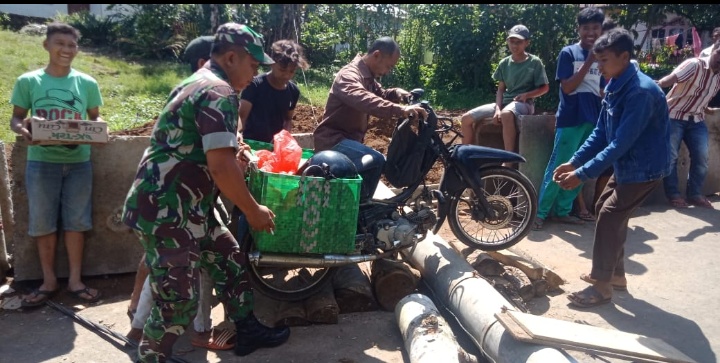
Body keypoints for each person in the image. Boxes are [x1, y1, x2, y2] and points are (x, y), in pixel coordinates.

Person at [122, 23, 290, 362]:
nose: (256, 74)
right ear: (231, 57)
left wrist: (235, 146)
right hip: (168, 211)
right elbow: (221, 168)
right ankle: (151, 356)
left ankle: (247, 331)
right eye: (253, 65)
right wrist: (253, 209)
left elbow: (210, 146)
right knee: (177, 303)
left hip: (188, 206)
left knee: (228, 258)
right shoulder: (219, 92)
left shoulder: (198, 82)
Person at [125, 34, 236, 351]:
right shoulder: (208, 97)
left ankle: (140, 326)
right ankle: (189, 330)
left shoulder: (188, 93)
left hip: (176, 199)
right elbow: (216, 161)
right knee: (185, 269)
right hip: (177, 202)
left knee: (166, 267)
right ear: (206, 63)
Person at [553, 28, 671, 308]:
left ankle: (602, 286)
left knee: (608, 214)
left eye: (604, 61)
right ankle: (615, 275)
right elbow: (601, 133)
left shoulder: (640, 92)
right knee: (606, 209)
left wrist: (581, 175)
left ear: (624, 56)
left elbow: (619, 143)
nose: (599, 67)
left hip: (645, 168)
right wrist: (575, 161)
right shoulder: (617, 84)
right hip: (628, 165)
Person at [9, 22, 103, 308]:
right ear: (46, 46)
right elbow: (16, 118)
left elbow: (96, 118)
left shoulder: (86, 83)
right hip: (41, 163)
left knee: (77, 222)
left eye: (71, 45)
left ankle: (75, 281)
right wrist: (23, 130)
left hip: (79, 162)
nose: (66, 49)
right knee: (43, 223)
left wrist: (97, 130)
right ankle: (48, 281)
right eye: (60, 43)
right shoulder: (29, 81)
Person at [312, 36, 427, 201]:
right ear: (377, 55)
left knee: (378, 162)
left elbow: (381, 94)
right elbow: (363, 98)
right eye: (388, 66)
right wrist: (400, 110)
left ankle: (358, 206)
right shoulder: (349, 75)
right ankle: (360, 211)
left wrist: (396, 93)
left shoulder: (368, 77)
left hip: (348, 141)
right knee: (377, 160)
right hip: (333, 141)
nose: (388, 71)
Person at [534, 7, 606, 231]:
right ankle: (540, 213)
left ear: (601, 29)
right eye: (586, 28)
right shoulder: (569, 53)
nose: (591, 32)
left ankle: (563, 211)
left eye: (595, 27)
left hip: (594, 119)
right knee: (558, 165)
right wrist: (589, 62)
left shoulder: (606, 56)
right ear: (579, 29)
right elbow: (567, 87)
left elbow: (603, 90)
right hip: (571, 118)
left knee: (581, 168)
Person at [459, 24, 549, 153]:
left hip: (524, 104)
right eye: (512, 41)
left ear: (527, 43)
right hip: (505, 103)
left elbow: (545, 88)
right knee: (466, 118)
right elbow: (501, 89)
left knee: (506, 114)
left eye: (519, 42)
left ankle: (509, 160)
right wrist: (497, 109)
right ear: (507, 42)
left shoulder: (535, 62)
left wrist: (527, 95)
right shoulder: (504, 63)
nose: (514, 45)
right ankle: (464, 157)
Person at [657, 39, 720, 209]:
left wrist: (706, 109)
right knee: (671, 157)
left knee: (702, 157)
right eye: (719, 53)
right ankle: (673, 194)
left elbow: (702, 95)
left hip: (697, 119)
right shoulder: (694, 65)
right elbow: (669, 80)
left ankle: (695, 194)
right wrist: (656, 87)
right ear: (713, 50)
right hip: (674, 116)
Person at [240, 39, 310, 144]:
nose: (286, 75)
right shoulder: (254, 85)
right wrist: (239, 138)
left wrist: (283, 138)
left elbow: (288, 119)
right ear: (272, 63)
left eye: (291, 71)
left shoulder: (293, 91)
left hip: (274, 147)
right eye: (282, 70)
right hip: (250, 144)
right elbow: (241, 117)